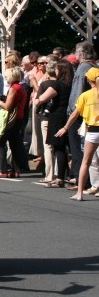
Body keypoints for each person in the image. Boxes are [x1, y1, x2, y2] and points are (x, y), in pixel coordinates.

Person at [56, 67, 99, 201]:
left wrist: (65, 128)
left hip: (92, 131)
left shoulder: (85, 95)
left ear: (88, 79)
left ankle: (79, 193)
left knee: (86, 162)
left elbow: (75, 114)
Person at [35, 59, 71, 187]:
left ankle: (59, 178)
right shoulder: (70, 83)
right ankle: (68, 175)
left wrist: (38, 99)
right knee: (66, 147)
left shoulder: (58, 84)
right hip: (67, 115)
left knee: (58, 147)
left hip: (57, 116)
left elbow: (43, 98)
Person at [65, 42, 96, 185]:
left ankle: (80, 179)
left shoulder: (83, 68)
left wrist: (73, 111)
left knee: (77, 147)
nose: (75, 55)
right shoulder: (94, 67)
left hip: (78, 113)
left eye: (76, 53)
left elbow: (77, 92)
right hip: (89, 112)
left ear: (82, 54)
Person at [0, 68, 29, 178]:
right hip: (19, 118)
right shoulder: (22, 88)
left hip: (11, 119)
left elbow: (7, 106)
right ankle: (16, 170)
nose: (6, 78)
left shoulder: (14, 88)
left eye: (7, 76)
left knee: (1, 143)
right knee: (14, 144)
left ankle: (3, 170)